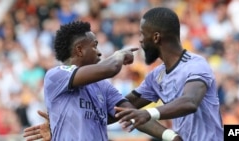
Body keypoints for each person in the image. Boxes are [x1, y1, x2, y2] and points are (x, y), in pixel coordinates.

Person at [23, 20, 182, 141]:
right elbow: (110, 68)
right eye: (94, 46)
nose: (99, 53)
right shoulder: (56, 75)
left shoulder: (102, 86)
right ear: (79, 49)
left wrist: (170, 136)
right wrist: (118, 55)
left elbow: (133, 115)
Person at [114, 7, 224, 141]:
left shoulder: (196, 65)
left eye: (142, 34)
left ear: (156, 37)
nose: (140, 40)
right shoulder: (155, 76)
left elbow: (190, 102)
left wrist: (148, 113)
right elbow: (123, 106)